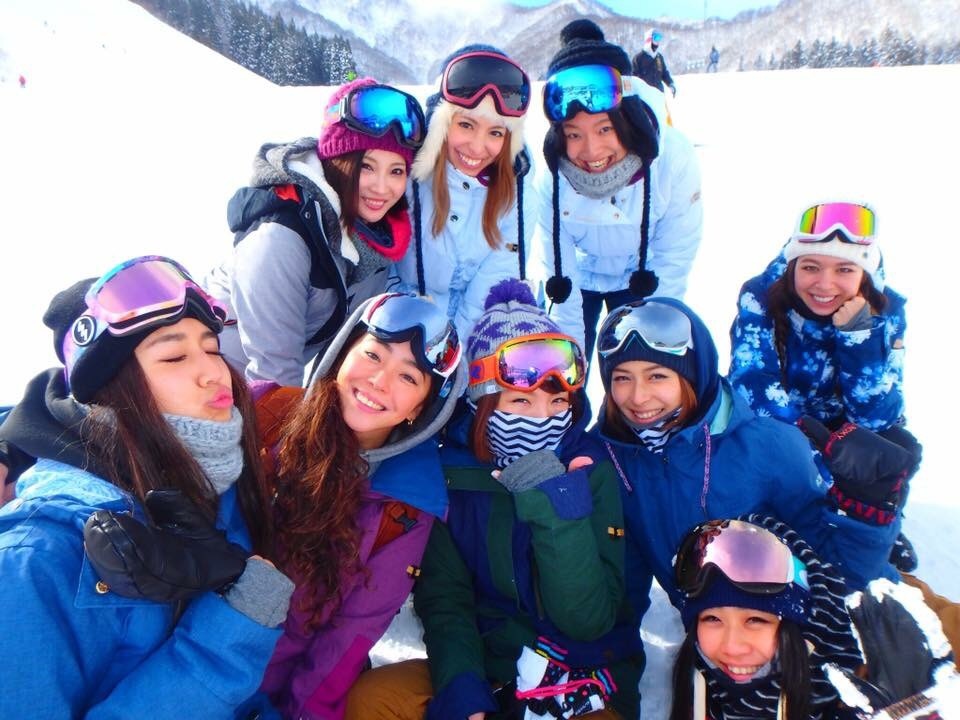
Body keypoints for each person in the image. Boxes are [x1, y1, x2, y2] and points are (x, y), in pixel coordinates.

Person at [0, 256, 294, 717]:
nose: (215, 372)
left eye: (213, 348)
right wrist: (231, 636)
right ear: (111, 388)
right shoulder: (37, 559)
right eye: (175, 356)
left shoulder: (213, 477)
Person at [344, 279, 642, 720]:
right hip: (491, 665)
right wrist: (463, 688)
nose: (542, 419)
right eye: (520, 401)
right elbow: (447, 600)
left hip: (584, 675)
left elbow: (586, 620)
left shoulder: (589, 469)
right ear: (482, 403)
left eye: (557, 402)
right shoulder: (453, 477)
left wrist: (554, 504)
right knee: (374, 699)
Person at [592, 296, 899, 633]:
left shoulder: (767, 446)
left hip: (825, 628)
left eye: (657, 376)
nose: (638, 397)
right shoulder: (613, 457)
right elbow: (624, 583)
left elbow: (841, 573)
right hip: (722, 638)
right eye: (622, 378)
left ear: (694, 375)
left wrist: (867, 505)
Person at [237, 291, 467, 720]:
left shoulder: (405, 509)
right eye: (373, 355)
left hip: (265, 697)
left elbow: (345, 642)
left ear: (420, 409)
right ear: (342, 353)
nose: (379, 381)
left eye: (408, 377)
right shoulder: (264, 415)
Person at [728, 201, 921, 568]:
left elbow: (879, 415)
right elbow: (753, 386)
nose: (824, 283)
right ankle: (785, 516)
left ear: (863, 273)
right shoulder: (761, 297)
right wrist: (816, 459)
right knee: (759, 449)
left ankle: (874, 523)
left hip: (842, 427)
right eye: (811, 267)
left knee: (898, 446)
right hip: (782, 424)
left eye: (844, 269)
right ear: (793, 266)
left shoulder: (887, 309)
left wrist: (859, 337)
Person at [204, 77, 425, 386]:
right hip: (208, 386)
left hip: (253, 393)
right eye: (366, 166)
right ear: (337, 162)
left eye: (396, 171)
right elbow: (273, 375)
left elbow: (341, 356)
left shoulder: (374, 244)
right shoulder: (281, 239)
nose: (382, 187)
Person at [530, 19, 702, 363]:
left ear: (630, 120)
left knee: (639, 362)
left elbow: (673, 260)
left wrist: (656, 342)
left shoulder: (673, 159)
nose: (591, 150)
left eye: (605, 128)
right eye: (573, 134)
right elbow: (561, 283)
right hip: (580, 279)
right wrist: (568, 373)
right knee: (566, 360)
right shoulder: (552, 179)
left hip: (642, 276)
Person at [669, 516, 957, 720]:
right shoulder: (701, 690)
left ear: (801, 626)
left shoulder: (880, 657)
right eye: (712, 619)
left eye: (756, 620)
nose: (732, 646)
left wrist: (928, 709)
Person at [392, 45, 536, 342]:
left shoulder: (517, 197)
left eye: (495, 132)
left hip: (477, 327)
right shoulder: (406, 178)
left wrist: (458, 350)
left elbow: (491, 285)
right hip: (403, 319)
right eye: (466, 125)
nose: (477, 147)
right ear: (440, 124)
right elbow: (381, 269)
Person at [632, 29, 676, 96]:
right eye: (656, 38)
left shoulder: (659, 57)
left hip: (658, 95)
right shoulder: (638, 58)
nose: (658, 42)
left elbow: (664, 73)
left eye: (659, 39)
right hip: (645, 96)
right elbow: (633, 78)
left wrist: (670, 84)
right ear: (649, 40)